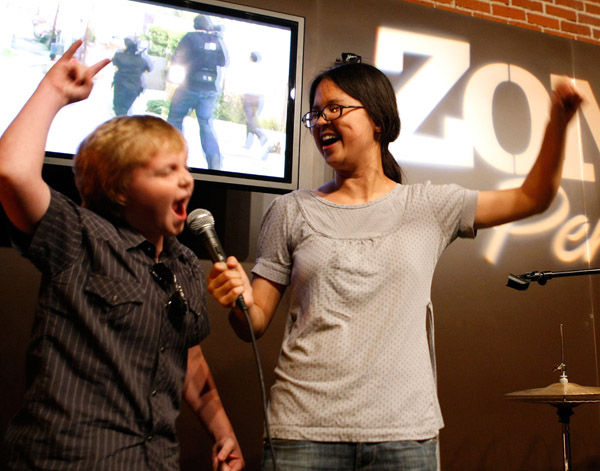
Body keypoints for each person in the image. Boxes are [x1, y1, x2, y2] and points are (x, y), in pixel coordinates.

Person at [206, 62, 582, 471]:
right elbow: (254, 322)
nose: (320, 122)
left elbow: (533, 197)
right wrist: (239, 301)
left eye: (335, 109)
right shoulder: (290, 211)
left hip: (404, 435)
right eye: (315, 113)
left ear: (378, 120)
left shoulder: (429, 206)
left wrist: (559, 119)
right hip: (303, 434)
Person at [0, 40, 244, 471]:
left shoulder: (184, 263)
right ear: (117, 188)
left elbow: (188, 357)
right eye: (166, 171)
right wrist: (53, 92)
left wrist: (223, 432)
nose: (186, 180)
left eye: (185, 167)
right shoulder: (79, 237)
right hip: (70, 461)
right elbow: (13, 173)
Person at [167, 14, 228, 170]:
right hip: (209, 90)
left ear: (195, 25)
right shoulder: (216, 40)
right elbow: (223, 61)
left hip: (189, 86)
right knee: (206, 124)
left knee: (175, 118)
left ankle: (174, 158)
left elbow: (178, 58)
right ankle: (214, 161)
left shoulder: (189, 38)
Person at [112, 36, 153, 116]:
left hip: (120, 85)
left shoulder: (119, 55)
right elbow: (150, 69)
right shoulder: (142, 60)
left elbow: (114, 63)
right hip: (134, 87)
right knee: (125, 110)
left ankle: (119, 123)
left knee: (118, 109)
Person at [241, 51, 269, 158]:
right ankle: (248, 143)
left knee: (250, 121)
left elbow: (245, 84)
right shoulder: (261, 71)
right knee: (251, 120)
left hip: (249, 97)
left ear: (251, 58)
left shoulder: (249, 68)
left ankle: (262, 137)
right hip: (258, 99)